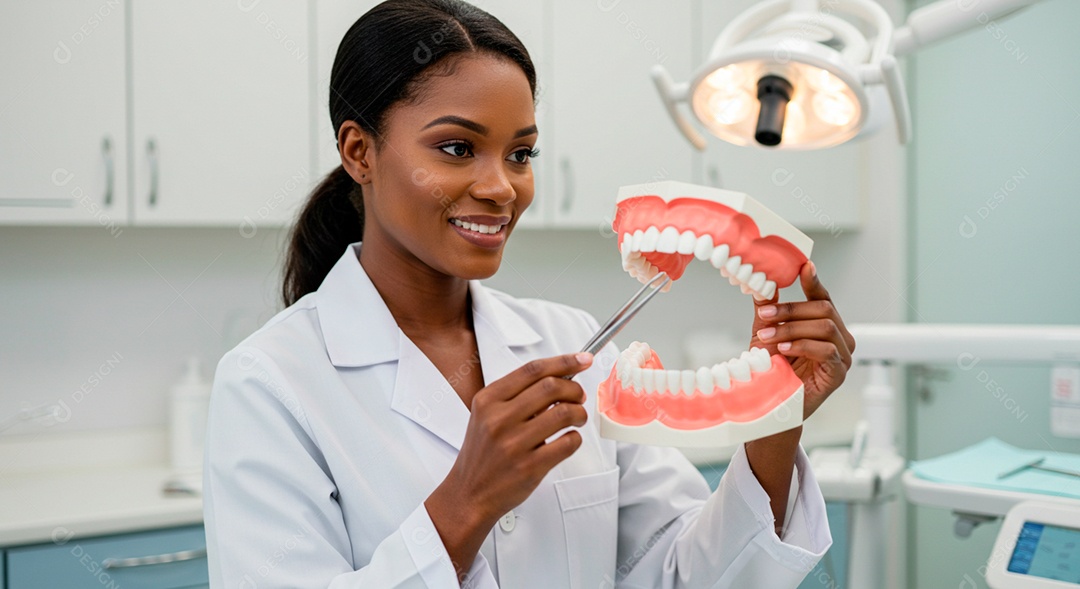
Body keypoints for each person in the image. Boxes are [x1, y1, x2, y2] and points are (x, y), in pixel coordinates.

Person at [202, 1, 857, 587]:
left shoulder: (574, 344)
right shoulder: (271, 383)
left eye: (521, 154)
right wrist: (464, 505)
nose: (501, 187)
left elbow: (679, 574)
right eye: (457, 148)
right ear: (359, 151)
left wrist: (774, 419)